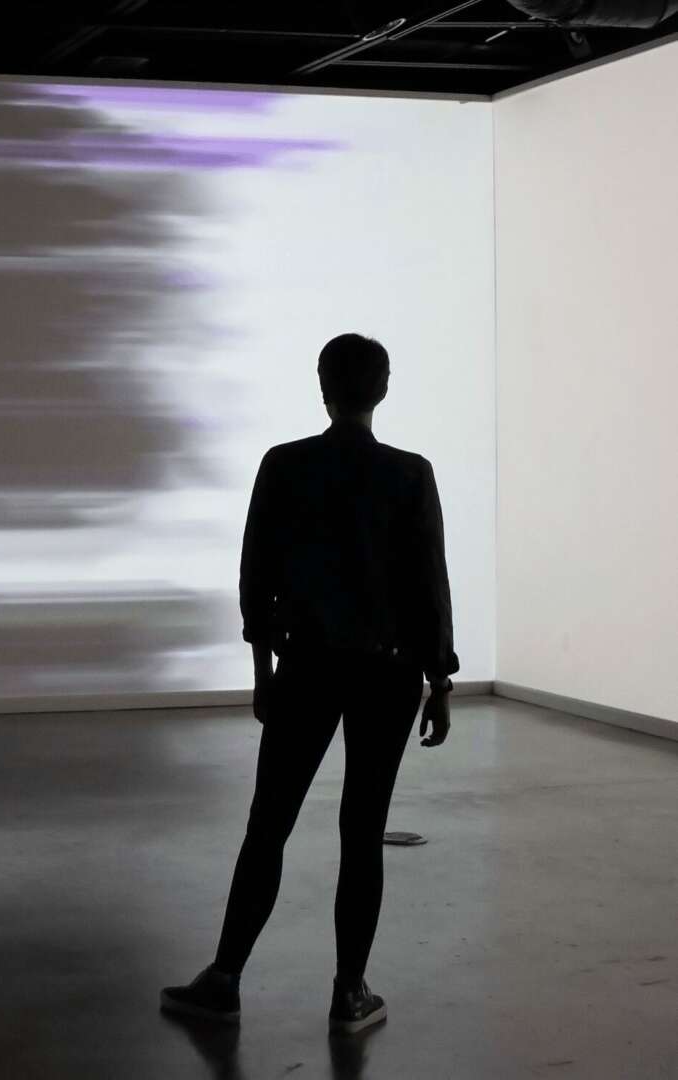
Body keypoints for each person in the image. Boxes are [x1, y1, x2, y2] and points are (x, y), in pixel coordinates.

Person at [160, 333, 458, 1035]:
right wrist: (439, 680)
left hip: (307, 667)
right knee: (363, 831)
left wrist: (262, 672)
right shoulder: (410, 474)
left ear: (323, 388)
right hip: (388, 673)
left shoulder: (286, 464)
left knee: (268, 825)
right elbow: (429, 585)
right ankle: (349, 992)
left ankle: (224, 980)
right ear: (382, 389)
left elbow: (256, 576)